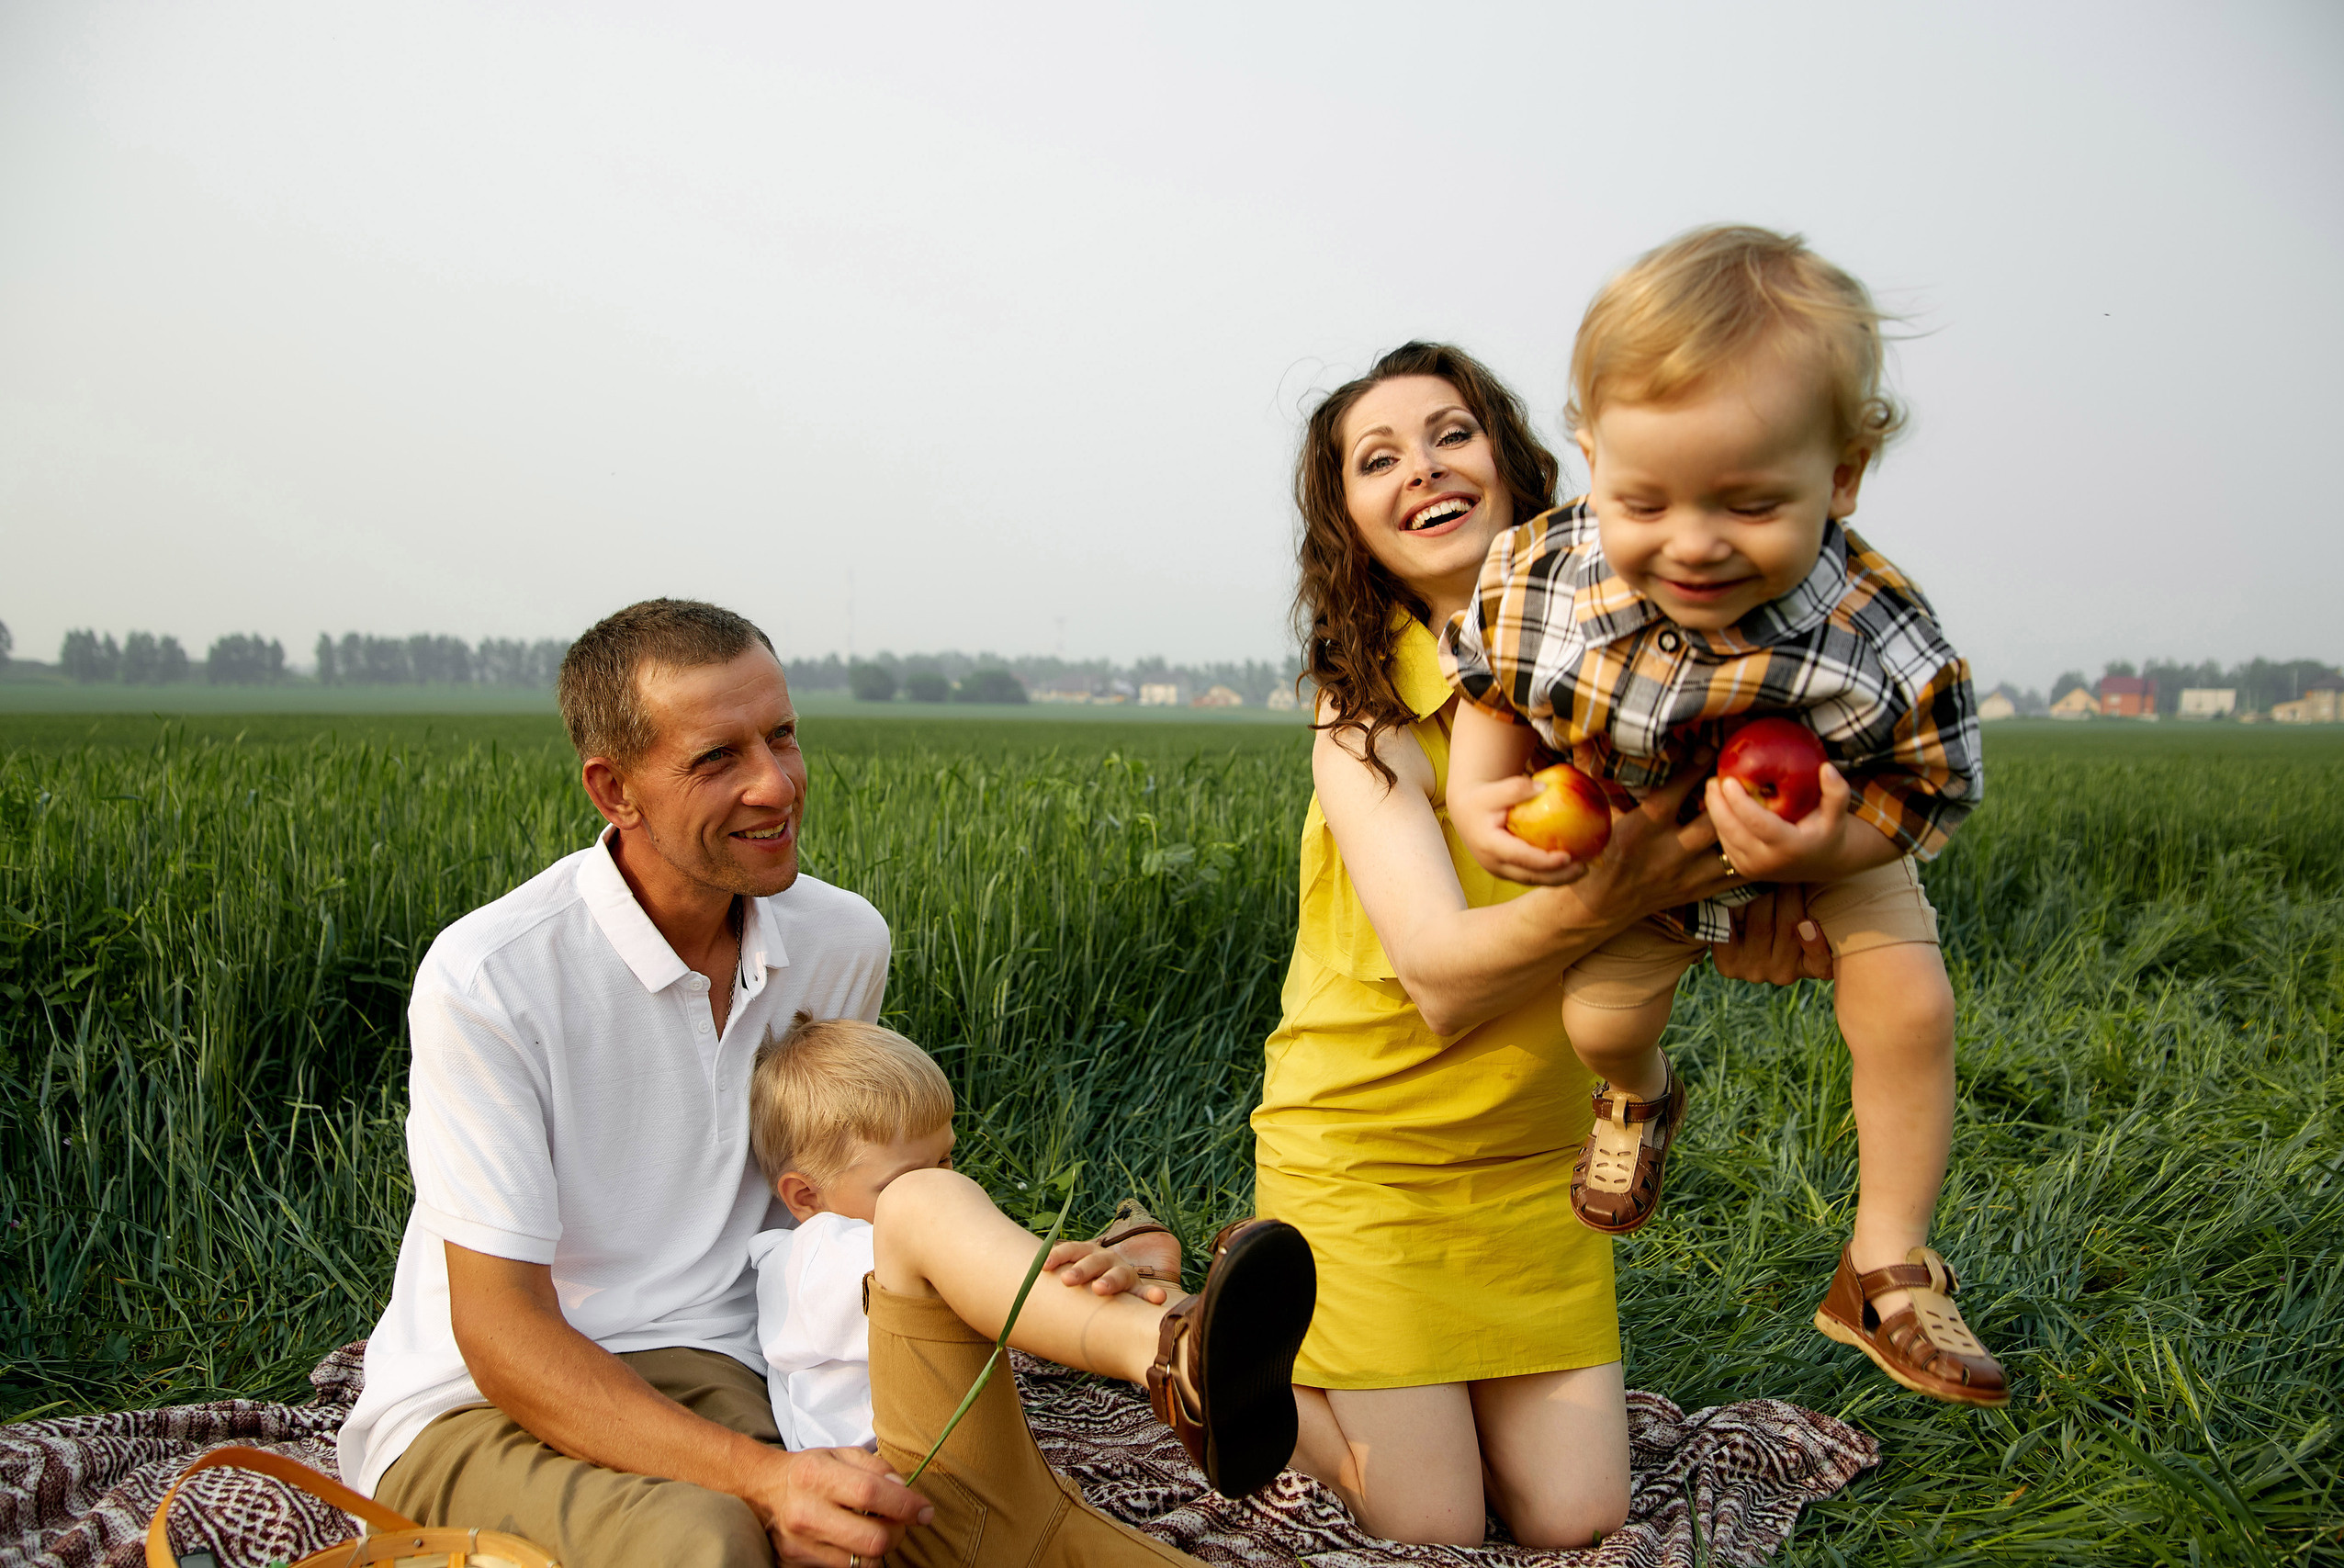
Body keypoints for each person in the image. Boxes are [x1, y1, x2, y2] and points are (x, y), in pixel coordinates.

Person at [338, 597, 1286, 1568]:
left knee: (896, 1523)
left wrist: (1027, 1279)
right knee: (707, 1541)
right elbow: (504, 1336)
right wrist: (761, 1480)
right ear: (613, 790)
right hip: (479, 1402)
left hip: (733, 1362)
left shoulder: (840, 940)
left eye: (782, 736)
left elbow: (829, 1196)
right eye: (718, 759)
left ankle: (1168, 1350)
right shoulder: (494, 977)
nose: (775, 785)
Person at [1257, 342, 1834, 1550]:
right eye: (1378, 459)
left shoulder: (1630, 675)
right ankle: (1240, 1344)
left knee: (1581, 1513)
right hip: (1365, 1157)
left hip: (1534, 1167)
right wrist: (1622, 886)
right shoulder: (1363, 713)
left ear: (1514, 468)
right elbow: (1441, 977)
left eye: (1449, 434)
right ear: (1352, 526)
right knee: (1431, 1519)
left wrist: (1787, 904)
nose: (1422, 467)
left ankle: (1370, 1369)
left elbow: (1733, 831)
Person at [1440, 226, 2007, 1411]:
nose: (1692, 544)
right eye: (1642, 499)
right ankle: (1639, 1094)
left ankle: (1884, 1260)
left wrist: (1825, 852)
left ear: (1843, 475)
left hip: (1824, 826)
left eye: (1750, 504)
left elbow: (1927, 786)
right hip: (1635, 839)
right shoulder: (1540, 573)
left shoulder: (1868, 623)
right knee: (1595, 1019)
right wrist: (1480, 800)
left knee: (1910, 1002)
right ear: (1589, 451)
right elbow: (1489, 689)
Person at [745, 1010, 1315, 1558]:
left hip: (1007, 1491)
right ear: (804, 1197)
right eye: (902, 1177)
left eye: (946, 1160)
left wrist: (1094, 1285)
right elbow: (974, 1283)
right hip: (908, 1521)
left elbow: (991, 1279)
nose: (942, 1181)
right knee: (920, 1211)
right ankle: (1174, 1350)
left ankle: (1170, 1322)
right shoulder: (802, 1260)